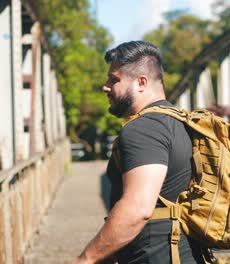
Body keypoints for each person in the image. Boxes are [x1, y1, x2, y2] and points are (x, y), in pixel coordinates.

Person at [72, 41, 204, 264]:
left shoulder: (143, 129)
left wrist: (85, 259)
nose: (105, 86)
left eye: (114, 79)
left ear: (141, 82)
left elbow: (137, 209)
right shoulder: (182, 122)